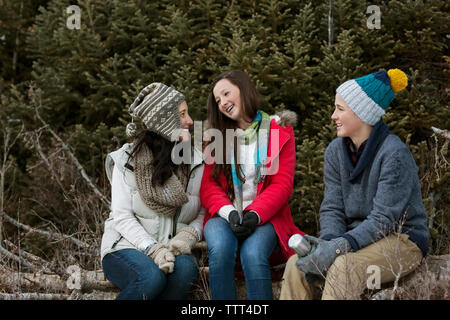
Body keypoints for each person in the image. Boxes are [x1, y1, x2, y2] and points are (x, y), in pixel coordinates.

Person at [280, 69, 430, 300]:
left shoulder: (394, 154)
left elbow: (383, 220)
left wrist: (338, 248)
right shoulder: (334, 152)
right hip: (355, 238)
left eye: (340, 109)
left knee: (344, 267)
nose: (333, 116)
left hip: (402, 240)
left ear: (362, 114)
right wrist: (328, 244)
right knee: (296, 263)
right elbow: (332, 207)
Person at [200, 69, 304, 300]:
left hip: (265, 215)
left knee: (254, 253)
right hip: (223, 215)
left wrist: (254, 214)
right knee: (221, 248)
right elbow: (209, 185)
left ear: (243, 89)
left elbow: (282, 184)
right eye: (218, 100)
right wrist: (229, 213)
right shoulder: (215, 136)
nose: (223, 103)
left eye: (227, 93)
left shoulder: (279, 131)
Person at [100, 82, 205, 300]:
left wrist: (189, 235)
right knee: (151, 278)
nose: (190, 121)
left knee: (185, 272)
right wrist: (153, 249)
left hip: (175, 248)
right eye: (182, 114)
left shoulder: (195, 162)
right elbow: (122, 217)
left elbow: (203, 212)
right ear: (165, 122)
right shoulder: (126, 161)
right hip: (125, 246)